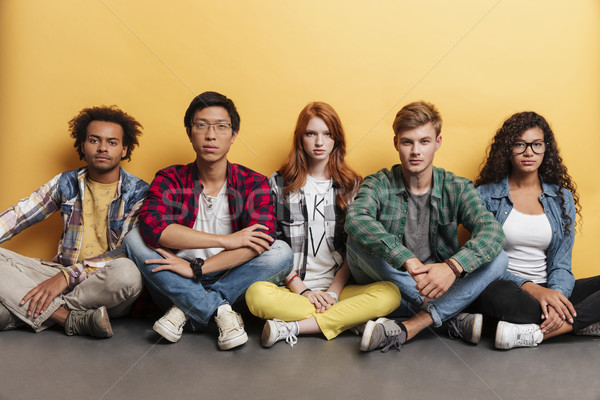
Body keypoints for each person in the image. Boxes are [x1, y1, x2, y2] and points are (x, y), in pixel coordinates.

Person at [123, 91, 293, 350]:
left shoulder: (253, 183)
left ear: (234, 134)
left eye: (221, 127)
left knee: (280, 251)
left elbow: (264, 236)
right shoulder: (170, 178)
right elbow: (153, 226)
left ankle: (186, 310)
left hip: (232, 278)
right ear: (190, 132)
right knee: (134, 238)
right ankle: (218, 311)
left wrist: (198, 268)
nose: (210, 135)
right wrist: (224, 241)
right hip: (175, 280)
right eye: (201, 125)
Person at [345, 101, 507, 352]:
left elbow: (492, 231)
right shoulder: (378, 182)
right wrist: (406, 259)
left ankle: (412, 325)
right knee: (355, 240)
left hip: (437, 285)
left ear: (438, 142)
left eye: (424, 141)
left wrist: (453, 267)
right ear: (396, 143)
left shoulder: (457, 187)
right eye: (407, 142)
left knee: (500, 258)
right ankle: (450, 317)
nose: (415, 151)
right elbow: (356, 219)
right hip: (391, 286)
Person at [245, 102, 401, 348]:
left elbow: (355, 247)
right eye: (311, 133)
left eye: (327, 134)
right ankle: (349, 320)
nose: (319, 142)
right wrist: (304, 292)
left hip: (338, 292)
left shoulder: (352, 186)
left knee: (390, 293)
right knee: (255, 295)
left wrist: (332, 293)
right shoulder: (277, 184)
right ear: (301, 139)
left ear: (336, 140)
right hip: (292, 289)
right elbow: (270, 245)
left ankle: (294, 327)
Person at [0, 106, 148, 338]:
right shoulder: (67, 182)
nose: (102, 148)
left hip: (103, 284)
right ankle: (66, 317)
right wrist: (61, 275)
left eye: (112, 142)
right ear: (82, 144)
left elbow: (125, 252)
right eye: (94, 140)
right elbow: (19, 215)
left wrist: (67, 277)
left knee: (128, 274)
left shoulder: (139, 193)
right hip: (55, 273)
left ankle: (25, 308)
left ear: (124, 149)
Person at [472, 111, 600, 349]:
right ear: (507, 149)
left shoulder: (562, 198)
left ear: (545, 149)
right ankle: (580, 322)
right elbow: (484, 262)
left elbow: (561, 263)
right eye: (519, 144)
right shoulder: (485, 196)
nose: (528, 152)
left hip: (551, 288)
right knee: (497, 296)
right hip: (510, 288)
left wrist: (556, 296)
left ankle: (546, 330)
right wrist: (535, 291)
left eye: (536, 144)